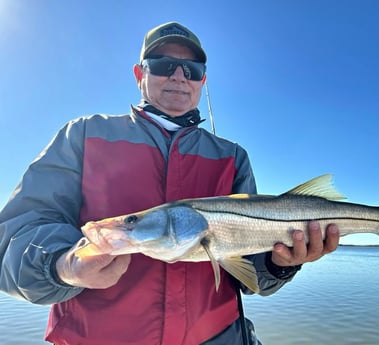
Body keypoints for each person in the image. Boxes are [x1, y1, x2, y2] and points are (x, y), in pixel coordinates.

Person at [0, 22, 339, 345]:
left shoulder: (232, 156)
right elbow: (14, 236)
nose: (179, 76)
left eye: (191, 70)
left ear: (202, 82)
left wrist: (281, 264)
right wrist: (63, 267)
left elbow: (249, 272)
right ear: (139, 74)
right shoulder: (84, 135)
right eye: (163, 65)